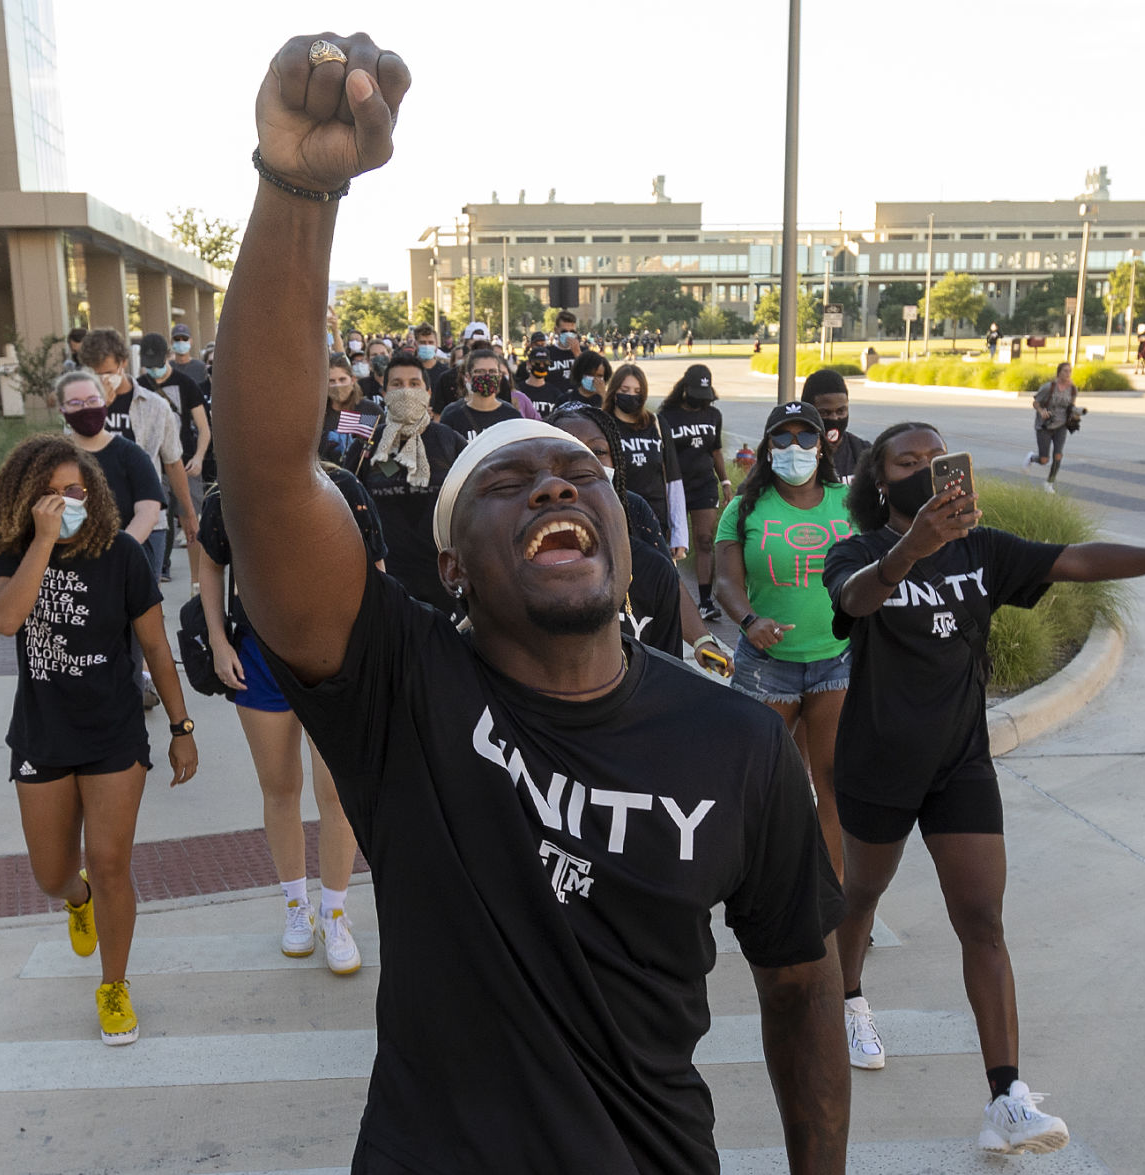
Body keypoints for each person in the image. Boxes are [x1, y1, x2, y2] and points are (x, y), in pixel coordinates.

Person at [215, 34, 848, 1173]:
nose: (555, 482)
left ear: (621, 529)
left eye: (580, 474)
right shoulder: (401, 690)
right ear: (452, 567)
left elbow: (800, 982)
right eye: (504, 483)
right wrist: (300, 192)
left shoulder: (737, 744)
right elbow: (265, 478)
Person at [824, 420, 1145, 1153]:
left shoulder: (983, 550)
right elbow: (856, 600)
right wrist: (913, 548)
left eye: (938, 459)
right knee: (861, 894)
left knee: (982, 921)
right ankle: (846, 999)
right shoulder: (861, 550)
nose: (929, 469)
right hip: (877, 760)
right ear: (879, 480)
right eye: (909, 461)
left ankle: (1006, 1099)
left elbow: (1079, 559)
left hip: (958, 763)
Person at [0, 434, 198, 1046]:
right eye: (49, 495)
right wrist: (43, 544)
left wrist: (181, 728)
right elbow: (5, 620)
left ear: (93, 493)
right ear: (25, 502)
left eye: (73, 491)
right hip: (43, 733)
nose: (64, 503)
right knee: (53, 873)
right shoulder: (11, 553)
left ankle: (115, 986)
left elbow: (155, 647)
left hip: (113, 730)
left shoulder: (123, 556)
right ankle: (75, 900)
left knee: (110, 864)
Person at [198, 470, 381, 977]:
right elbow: (210, 566)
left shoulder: (345, 487)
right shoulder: (228, 496)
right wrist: (217, 641)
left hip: (333, 658)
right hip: (257, 658)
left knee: (337, 794)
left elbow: (377, 569)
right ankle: (296, 905)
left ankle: (335, 912)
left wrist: (368, 654)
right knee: (279, 787)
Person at [712, 401, 851, 880]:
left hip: (836, 660)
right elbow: (724, 582)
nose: (796, 448)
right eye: (784, 438)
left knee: (832, 783)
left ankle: (830, 893)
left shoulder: (847, 502)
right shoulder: (743, 509)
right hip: (766, 665)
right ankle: (767, 888)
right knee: (764, 783)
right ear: (769, 448)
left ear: (822, 445)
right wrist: (749, 619)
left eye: (806, 438)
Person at [549, 404, 730, 675]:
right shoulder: (529, 521)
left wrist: (702, 639)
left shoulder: (633, 509)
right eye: (568, 448)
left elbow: (667, 580)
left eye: (598, 451)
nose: (584, 459)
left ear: (616, 460)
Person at [56, 371, 169, 709]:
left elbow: (148, 511)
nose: (85, 409)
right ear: (61, 410)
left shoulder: (130, 455)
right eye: (75, 403)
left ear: (104, 402)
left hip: (123, 574)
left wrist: (112, 555)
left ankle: (129, 725)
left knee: (127, 656)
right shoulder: (52, 459)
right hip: (68, 575)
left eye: (91, 401)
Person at [80, 329, 197, 589]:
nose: (102, 380)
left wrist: (188, 513)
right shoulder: (81, 406)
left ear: (123, 364)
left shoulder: (154, 405)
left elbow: (172, 461)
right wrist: (97, 409)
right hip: (95, 522)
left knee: (143, 602)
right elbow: (76, 454)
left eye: (107, 373)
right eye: (94, 374)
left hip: (147, 521)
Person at [361, 350, 469, 618]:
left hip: (445, 586)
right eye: (396, 385)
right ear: (384, 393)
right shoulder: (367, 446)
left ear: (428, 392)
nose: (406, 391)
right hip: (388, 587)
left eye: (414, 384)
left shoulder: (449, 441)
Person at [659, 363, 732, 620]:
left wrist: (725, 482)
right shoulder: (667, 416)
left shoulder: (713, 415)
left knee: (704, 540)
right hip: (676, 487)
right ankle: (670, 598)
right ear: (685, 389)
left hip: (704, 485)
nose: (702, 401)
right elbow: (663, 456)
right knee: (672, 543)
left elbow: (715, 451)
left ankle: (705, 602)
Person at [137, 331, 213, 579]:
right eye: (149, 366)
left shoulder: (185, 384)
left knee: (191, 521)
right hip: (152, 466)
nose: (154, 371)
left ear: (168, 357)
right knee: (157, 522)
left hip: (185, 461)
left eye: (158, 365)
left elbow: (204, 428)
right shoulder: (139, 385)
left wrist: (199, 457)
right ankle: (157, 572)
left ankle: (196, 581)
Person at [606, 363, 686, 555]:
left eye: (637, 391)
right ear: (614, 391)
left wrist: (679, 535)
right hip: (617, 523)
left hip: (656, 523)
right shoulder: (603, 425)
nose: (631, 395)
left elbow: (673, 480)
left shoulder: (656, 424)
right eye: (625, 390)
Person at [800, 368, 869, 482]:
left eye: (840, 411)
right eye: (824, 413)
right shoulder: (795, 455)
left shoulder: (863, 452)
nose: (834, 418)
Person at [1024, 361, 1082, 493]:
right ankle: (1032, 458)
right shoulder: (1048, 387)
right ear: (1059, 373)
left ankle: (1049, 483)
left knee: (1058, 455)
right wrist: (1041, 411)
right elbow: (1035, 402)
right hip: (1044, 426)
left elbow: (1071, 405)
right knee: (1044, 459)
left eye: (1070, 371)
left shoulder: (1072, 389)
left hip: (1061, 425)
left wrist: (1075, 414)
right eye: (1065, 371)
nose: (1068, 374)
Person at [439, 350, 524, 441]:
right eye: (480, 371)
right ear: (468, 377)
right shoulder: (452, 415)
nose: (487, 376)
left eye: (492, 371)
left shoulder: (511, 415)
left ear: (499, 376)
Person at [323, 352, 384, 472]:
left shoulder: (371, 411)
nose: (338, 385)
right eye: (332, 381)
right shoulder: (319, 415)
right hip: (330, 482)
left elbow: (387, 453)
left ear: (352, 380)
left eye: (342, 379)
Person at [517, 346, 567, 417]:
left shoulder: (556, 394)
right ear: (529, 364)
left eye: (545, 363)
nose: (541, 366)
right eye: (537, 362)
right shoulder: (518, 390)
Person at [544, 309, 584, 384]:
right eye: (564, 331)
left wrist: (578, 354)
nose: (568, 334)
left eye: (572, 331)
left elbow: (589, 375)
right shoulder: (547, 353)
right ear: (556, 330)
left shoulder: (584, 351)